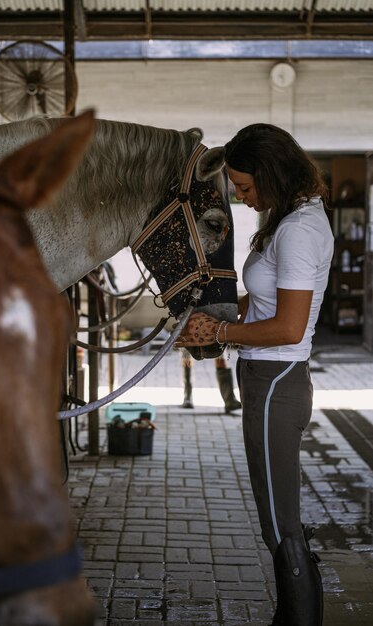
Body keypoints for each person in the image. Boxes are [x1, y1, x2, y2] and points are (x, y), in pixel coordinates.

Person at [176, 123, 333, 626]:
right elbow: (268, 302)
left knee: (279, 522)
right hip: (265, 378)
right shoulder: (288, 220)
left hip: (276, 382)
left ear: (272, 175)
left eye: (246, 188)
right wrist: (214, 322)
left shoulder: (300, 231)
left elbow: (288, 326)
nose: (243, 199)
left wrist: (220, 336)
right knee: (275, 517)